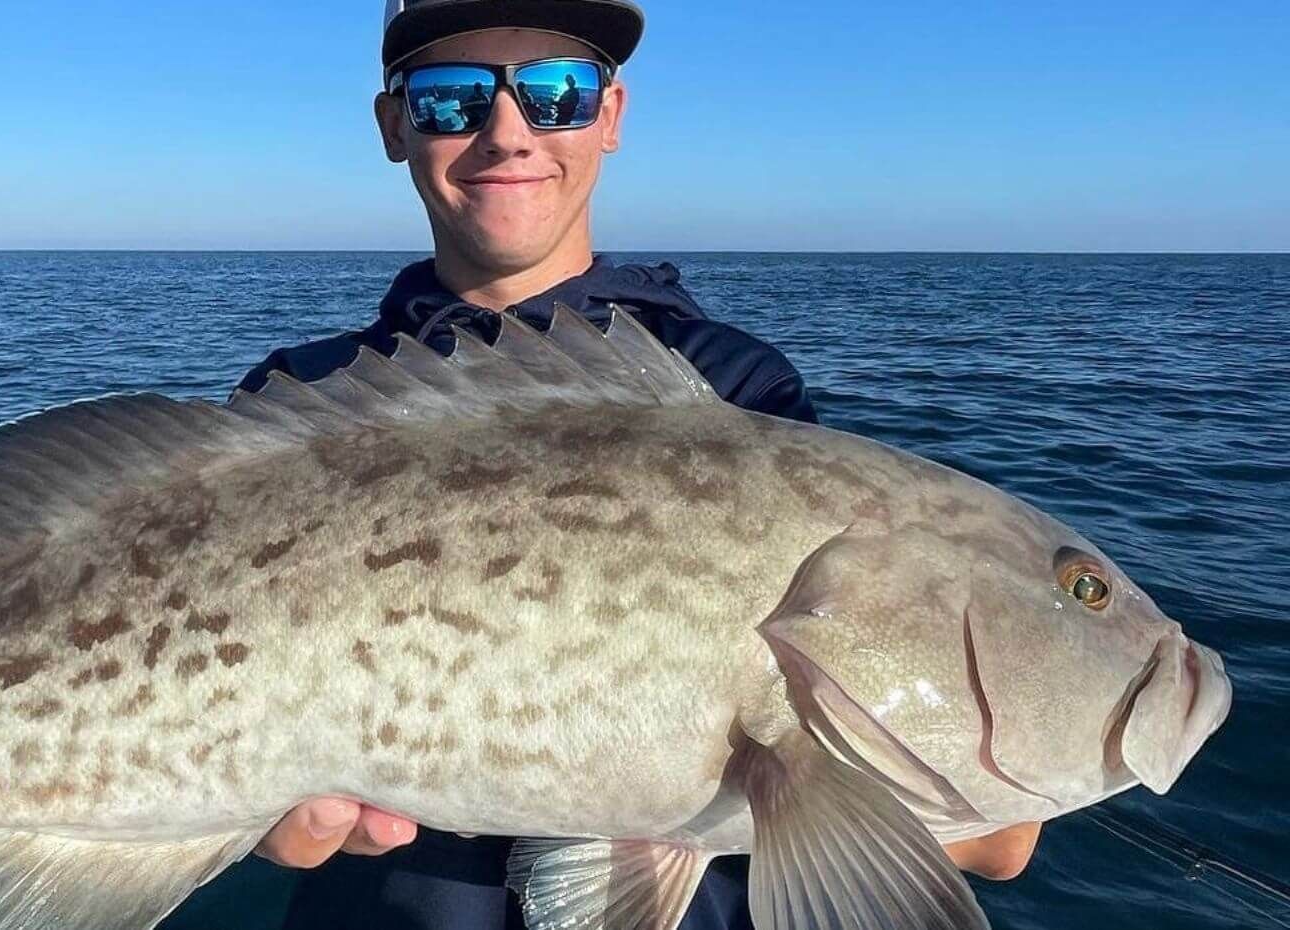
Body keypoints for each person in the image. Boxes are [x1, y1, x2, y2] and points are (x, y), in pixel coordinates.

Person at [230, 1, 1046, 929]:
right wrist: (236, 818)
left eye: (555, 93)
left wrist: (967, 794)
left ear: (609, 116)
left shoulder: (741, 390)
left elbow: (966, 823)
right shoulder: (301, 400)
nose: (507, 132)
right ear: (393, 126)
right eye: (449, 97)